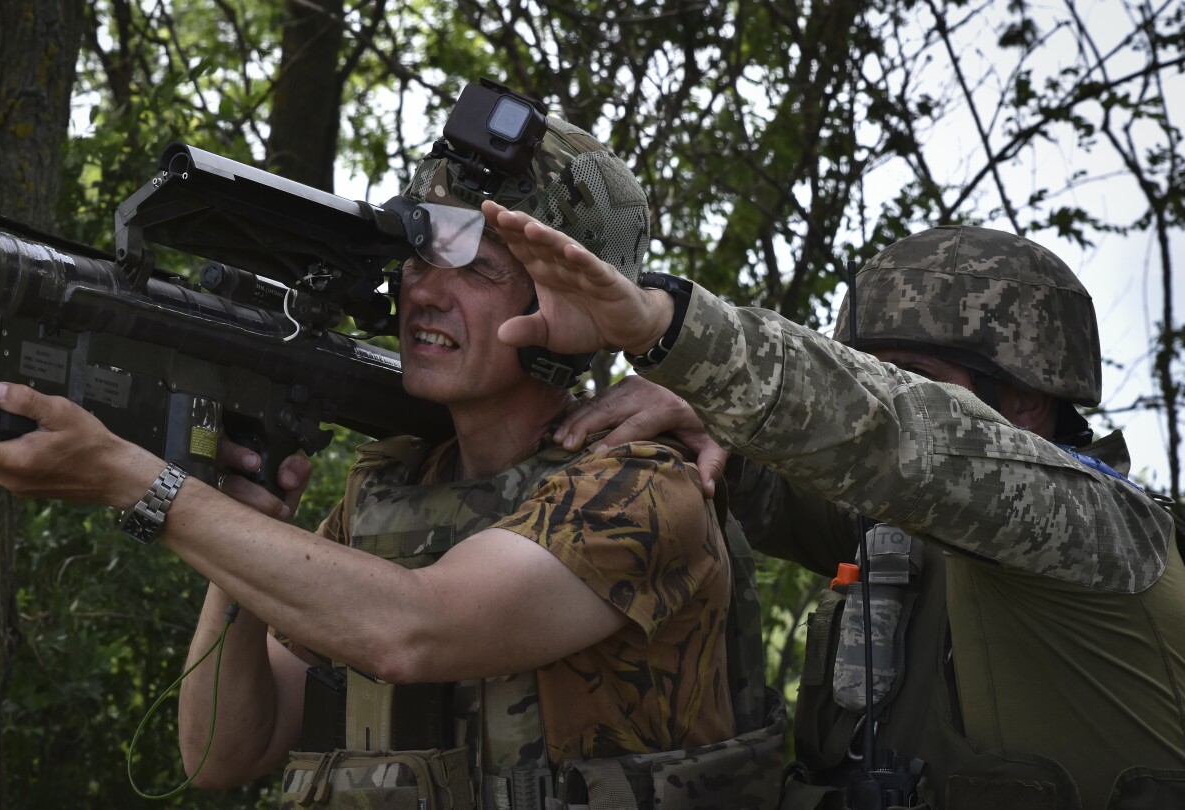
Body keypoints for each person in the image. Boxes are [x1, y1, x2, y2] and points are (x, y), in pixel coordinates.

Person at [0, 85, 779, 810]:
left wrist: (138, 484)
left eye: (476, 269)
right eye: (418, 254)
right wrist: (235, 532)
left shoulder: (643, 489)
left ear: (574, 311)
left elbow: (414, 630)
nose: (426, 290)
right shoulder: (394, 490)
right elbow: (223, 752)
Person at [482, 209, 1185, 810]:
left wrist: (670, 329)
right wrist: (706, 420)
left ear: (1029, 403)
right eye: (864, 371)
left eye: (913, 381)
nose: (879, 395)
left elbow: (899, 440)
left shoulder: (1103, 534)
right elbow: (784, 483)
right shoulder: (908, 536)